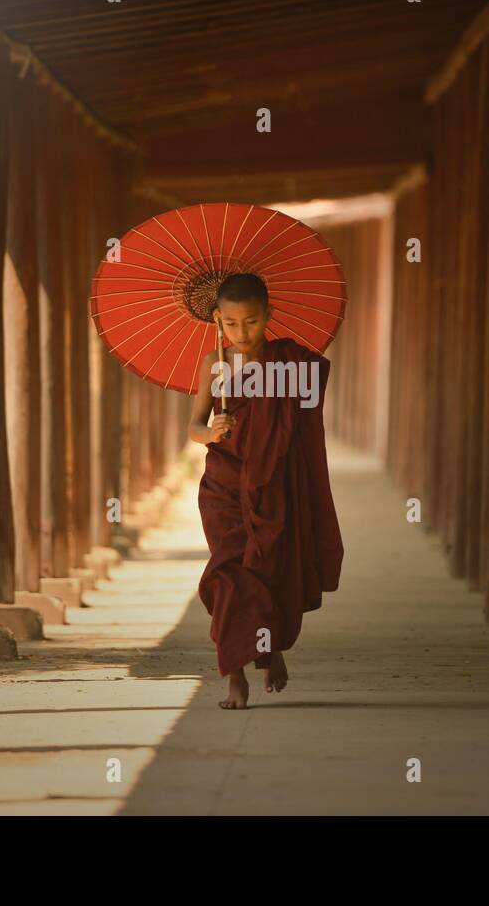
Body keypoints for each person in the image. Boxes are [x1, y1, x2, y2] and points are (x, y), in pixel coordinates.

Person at [187, 272, 343, 709]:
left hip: (273, 486)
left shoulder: (290, 363)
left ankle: (268, 649)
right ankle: (233, 673)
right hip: (224, 487)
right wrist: (213, 432)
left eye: (252, 321)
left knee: (267, 570)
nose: (242, 333)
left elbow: (300, 423)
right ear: (217, 320)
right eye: (232, 323)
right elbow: (193, 427)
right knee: (226, 574)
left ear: (268, 315)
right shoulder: (213, 364)